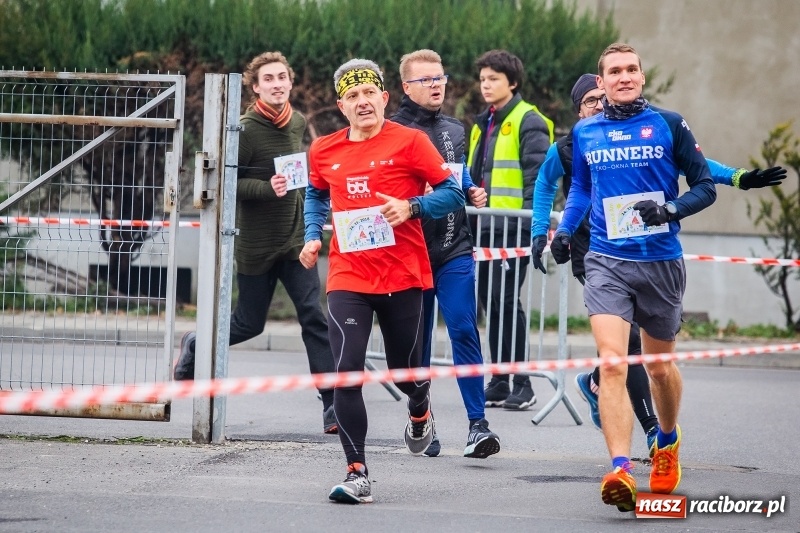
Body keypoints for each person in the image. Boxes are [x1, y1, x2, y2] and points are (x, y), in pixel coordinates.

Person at [531, 74, 787, 455]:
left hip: (651, 252)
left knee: (643, 357)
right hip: (597, 251)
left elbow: (690, 163)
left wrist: (738, 177)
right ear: (578, 110)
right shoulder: (571, 145)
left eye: (602, 98)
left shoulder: (639, 131)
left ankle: (597, 382)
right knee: (629, 343)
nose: (599, 105)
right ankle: (650, 429)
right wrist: (542, 232)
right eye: (590, 101)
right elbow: (545, 184)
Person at [551, 42, 718, 513]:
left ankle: (666, 440)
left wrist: (670, 210)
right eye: (614, 71)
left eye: (631, 70)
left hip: (660, 261)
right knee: (612, 363)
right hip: (607, 260)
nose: (623, 77)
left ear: (641, 77)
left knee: (659, 367)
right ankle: (621, 468)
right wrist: (564, 230)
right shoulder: (586, 131)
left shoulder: (669, 124)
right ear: (601, 82)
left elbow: (705, 186)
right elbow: (582, 188)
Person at [301, 58, 465, 504]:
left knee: (403, 372)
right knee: (346, 372)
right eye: (352, 96)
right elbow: (315, 193)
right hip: (348, 275)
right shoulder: (324, 150)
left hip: (402, 273)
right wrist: (312, 235)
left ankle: (419, 405)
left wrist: (412, 207)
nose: (362, 102)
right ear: (342, 106)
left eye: (369, 93)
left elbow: (452, 193)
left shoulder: (410, 141)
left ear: (384, 97)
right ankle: (356, 472)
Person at [172, 51, 338, 435]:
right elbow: (227, 183)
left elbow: (296, 173)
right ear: (256, 87)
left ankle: (332, 405)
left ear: (290, 82)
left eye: (282, 77)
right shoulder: (245, 130)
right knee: (249, 324)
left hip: (294, 240)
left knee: (313, 316)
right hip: (255, 245)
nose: (277, 84)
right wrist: (266, 188)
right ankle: (196, 343)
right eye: (269, 79)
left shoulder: (297, 122)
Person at [391, 49, 500, 459]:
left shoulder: (455, 129)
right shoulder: (392, 131)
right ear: (407, 87)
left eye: (440, 77)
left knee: (464, 329)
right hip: (412, 253)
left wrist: (471, 189)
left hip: (454, 248)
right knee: (417, 345)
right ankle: (422, 417)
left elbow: (458, 173)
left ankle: (478, 425)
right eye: (426, 80)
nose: (436, 85)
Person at [466, 49, 554, 411]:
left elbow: (539, 179)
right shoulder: (482, 123)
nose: (486, 85)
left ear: (512, 83)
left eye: (494, 79)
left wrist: (536, 227)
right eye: (483, 79)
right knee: (491, 303)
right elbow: (474, 176)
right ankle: (500, 381)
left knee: (505, 301)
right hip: (486, 229)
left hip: (514, 228)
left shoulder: (528, 120)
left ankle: (523, 383)